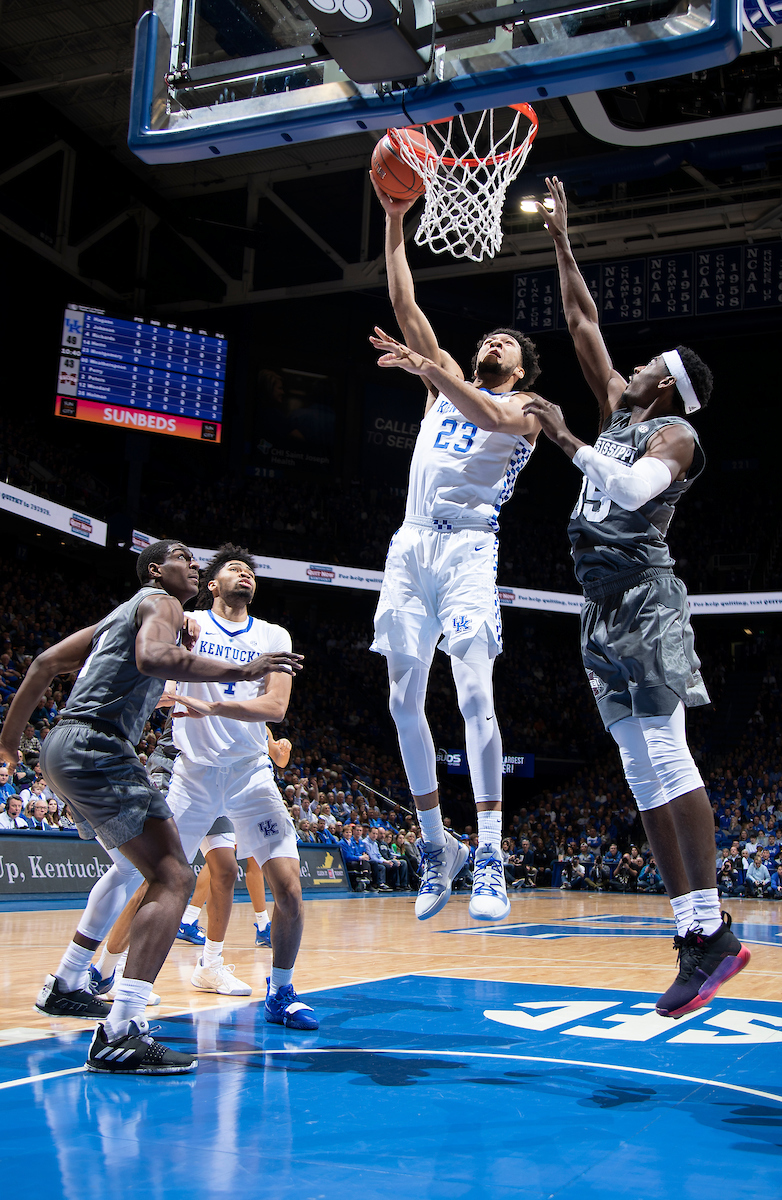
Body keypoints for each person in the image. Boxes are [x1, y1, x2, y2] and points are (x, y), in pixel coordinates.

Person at [523, 176, 750, 1019]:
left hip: (647, 600)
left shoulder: (675, 433)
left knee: (666, 752)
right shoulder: (623, 411)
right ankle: (695, 933)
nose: (636, 362)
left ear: (666, 383)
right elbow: (583, 321)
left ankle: (714, 924)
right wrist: (562, 241)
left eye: (650, 363)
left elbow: (627, 491)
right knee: (637, 770)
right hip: (599, 609)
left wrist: (564, 438)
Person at [0, 538, 302, 1075]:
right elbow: (151, 657)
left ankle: (68, 981)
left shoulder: (128, 615)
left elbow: (44, 663)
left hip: (63, 747)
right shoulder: (164, 605)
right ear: (157, 570)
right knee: (173, 877)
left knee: (141, 869)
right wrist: (239, 670)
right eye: (183, 557)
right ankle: (121, 1028)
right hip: (110, 749)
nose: (194, 563)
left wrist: (8, 744)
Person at [368, 188, 543, 925]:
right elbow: (405, 304)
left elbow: (487, 412)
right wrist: (393, 219)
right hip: (411, 543)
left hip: (470, 547)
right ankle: (438, 845)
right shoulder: (443, 380)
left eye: (507, 342)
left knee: (474, 697)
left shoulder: (528, 410)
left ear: (522, 368)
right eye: (490, 337)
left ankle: (493, 852)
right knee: (400, 702)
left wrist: (428, 370)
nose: (494, 342)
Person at [158, 544, 317, 1029]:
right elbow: (157, 674)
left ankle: (281, 991)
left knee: (288, 888)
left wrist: (211, 707)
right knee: (157, 880)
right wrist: (166, 690)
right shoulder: (189, 624)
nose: (245, 573)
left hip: (250, 775)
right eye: (234, 567)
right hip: (195, 773)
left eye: (250, 570)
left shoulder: (273, 635)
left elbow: (276, 708)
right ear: (212, 584)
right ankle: (109, 975)